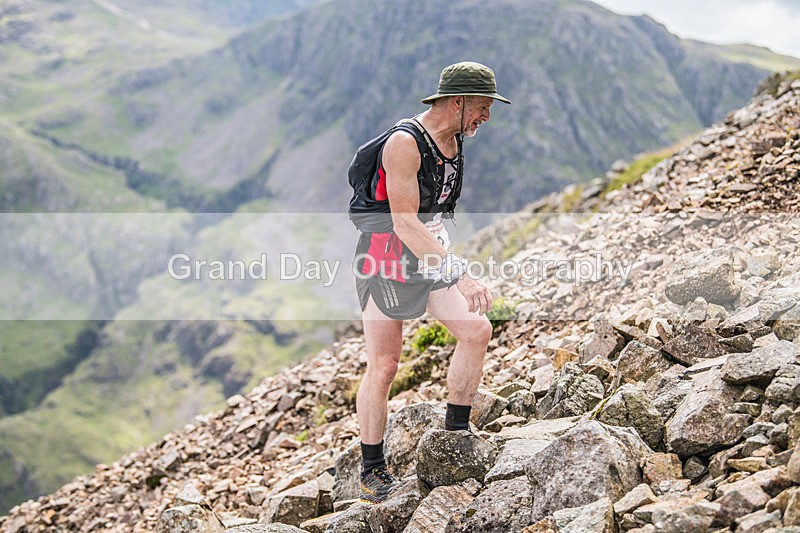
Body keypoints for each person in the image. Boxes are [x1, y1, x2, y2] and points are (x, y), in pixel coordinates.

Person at [349, 61, 511, 504]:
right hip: (385, 263)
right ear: (456, 101)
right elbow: (403, 223)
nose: (486, 117)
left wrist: (445, 262)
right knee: (384, 366)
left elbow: (432, 215)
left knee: (477, 330)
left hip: (427, 258)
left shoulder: (455, 139)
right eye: (481, 107)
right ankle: (371, 469)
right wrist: (460, 272)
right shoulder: (405, 143)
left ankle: (456, 433)